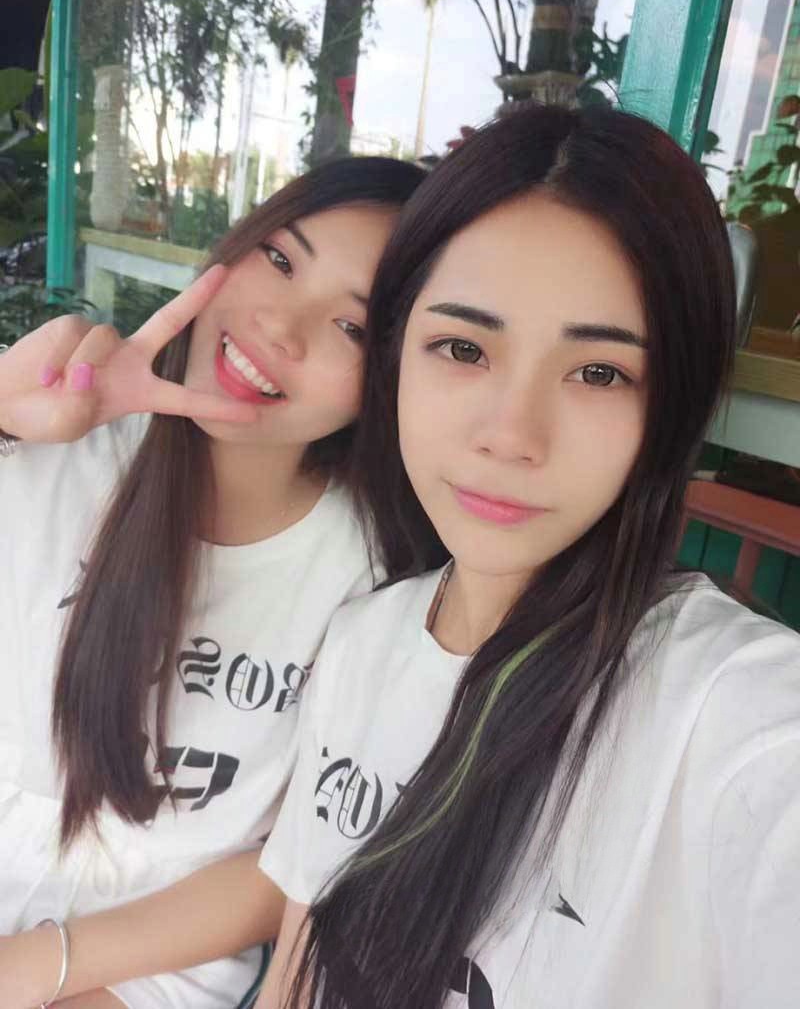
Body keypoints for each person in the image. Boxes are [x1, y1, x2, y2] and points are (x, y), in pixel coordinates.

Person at [256, 105, 800, 1009]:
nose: (512, 435)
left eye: (600, 372)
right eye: (463, 347)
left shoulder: (723, 714)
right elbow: (296, 969)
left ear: (669, 407)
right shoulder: (360, 644)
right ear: (394, 360)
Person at [0, 154, 424, 1008]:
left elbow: (292, 860)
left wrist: (28, 968)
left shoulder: (372, 578)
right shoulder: (51, 449)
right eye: (280, 258)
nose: (282, 327)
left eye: (352, 326)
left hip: (157, 963)